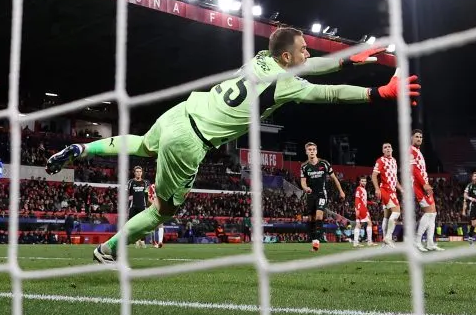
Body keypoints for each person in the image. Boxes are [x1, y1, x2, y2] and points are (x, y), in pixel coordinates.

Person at [46, 27, 420, 263]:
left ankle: (82, 149)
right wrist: (377, 93)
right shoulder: (285, 83)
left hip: (182, 111)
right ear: (287, 57)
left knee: (144, 144)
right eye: (304, 49)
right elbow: (330, 94)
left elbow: (313, 67)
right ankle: (108, 250)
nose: (308, 54)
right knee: (162, 212)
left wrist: (345, 61)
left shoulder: (261, 59)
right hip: (191, 141)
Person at [300, 142, 345, 252]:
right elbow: (303, 182)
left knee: (319, 216)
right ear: (306, 152)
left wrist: (341, 191)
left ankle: (316, 244)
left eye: (313, 149)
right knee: (311, 219)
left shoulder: (324, 163)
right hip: (310, 195)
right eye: (309, 149)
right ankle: (313, 239)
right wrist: (305, 188)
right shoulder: (304, 166)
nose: (312, 151)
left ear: (316, 151)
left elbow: (334, 178)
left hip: (321, 194)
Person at [410, 129, 441, 251]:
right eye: (417, 136)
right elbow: (414, 170)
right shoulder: (411, 151)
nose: (419, 139)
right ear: (412, 138)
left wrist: (426, 183)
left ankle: (430, 243)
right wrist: (424, 184)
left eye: (420, 137)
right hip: (418, 185)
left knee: (433, 213)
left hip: (423, 184)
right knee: (429, 212)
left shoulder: (418, 151)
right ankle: (417, 241)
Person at [371, 142, 403, 246]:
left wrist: (401, 190)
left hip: (392, 190)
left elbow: (395, 179)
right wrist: (377, 189)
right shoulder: (380, 160)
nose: (388, 148)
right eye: (385, 147)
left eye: (389, 147)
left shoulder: (394, 161)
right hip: (385, 189)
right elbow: (374, 176)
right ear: (383, 151)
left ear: (392, 149)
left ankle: (384, 244)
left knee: (387, 216)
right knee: (397, 212)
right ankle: (388, 237)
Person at [128, 166, 149, 249]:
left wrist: (147, 206)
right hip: (133, 206)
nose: (138, 173)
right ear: (134, 172)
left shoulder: (145, 182)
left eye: (140, 171)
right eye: (137, 171)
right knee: (133, 225)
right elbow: (127, 193)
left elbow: (147, 195)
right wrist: (128, 198)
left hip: (142, 206)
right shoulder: (131, 182)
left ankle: (142, 241)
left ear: (142, 172)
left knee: (143, 225)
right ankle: (136, 241)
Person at [351, 176, 373, 247]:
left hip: (361, 207)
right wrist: (358, 209)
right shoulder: (359, 188)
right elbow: (357, 199)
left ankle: (355, 243)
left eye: (365, 181)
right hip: (361, 208)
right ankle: (369, 241)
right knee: (369, 223)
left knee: (358, 225)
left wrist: (372, 203)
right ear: (360, 182)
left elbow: (364, 200)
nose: (364, 182)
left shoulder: (363, 189)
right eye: (362, 181)